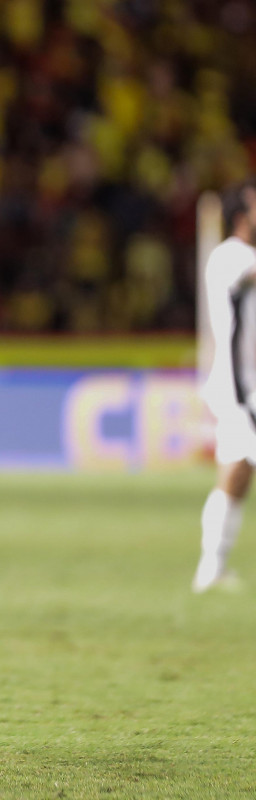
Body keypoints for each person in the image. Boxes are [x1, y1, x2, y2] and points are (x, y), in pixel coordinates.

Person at [193, 180, 256, 592]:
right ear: (240, 215)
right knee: (235, 471)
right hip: (243, 387)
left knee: (235, 473)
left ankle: (210, 569)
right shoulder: (229, 256)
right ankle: (209, 568)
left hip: (248, 386)